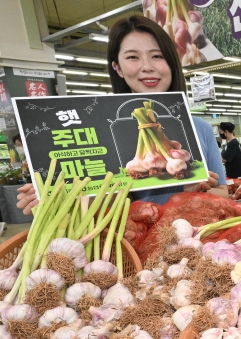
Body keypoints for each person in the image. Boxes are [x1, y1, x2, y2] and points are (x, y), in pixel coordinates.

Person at [17, 15, 228, 213]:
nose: (147, 67)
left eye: (157, 56)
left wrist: (194, 192)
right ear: (117, 68)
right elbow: (94, 205)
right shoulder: (100, 133)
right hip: (125, 246)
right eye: (133, 57)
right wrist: (52, 199)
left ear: (171, 63)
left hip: (186, 246)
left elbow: (223, 195)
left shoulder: (199, 128)